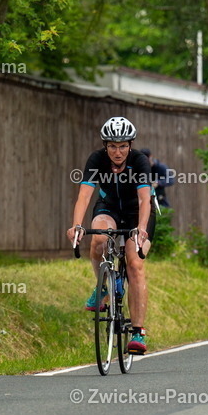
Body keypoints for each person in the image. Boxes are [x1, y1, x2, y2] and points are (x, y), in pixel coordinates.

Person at [67, 117, 154, 354]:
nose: (118, 151)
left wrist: (142, 228)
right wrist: (76, 226)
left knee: (134, 262)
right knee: (99, 238)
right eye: (113, 146)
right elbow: (84, 196)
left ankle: (138, 332)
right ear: (105, 145)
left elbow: (144, 199)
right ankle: (102, 288)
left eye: (123, 145)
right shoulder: (96, 160)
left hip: (138, 211)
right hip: (109, 207)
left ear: (130, 145)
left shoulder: (139, 161)